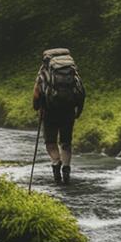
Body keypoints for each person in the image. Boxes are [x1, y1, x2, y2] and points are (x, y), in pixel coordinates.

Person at [32, 48, 85, 184]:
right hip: (68, 112)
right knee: (66, 142)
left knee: (51, 142)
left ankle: (56, 164)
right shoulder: (72, 72)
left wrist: (37, 106)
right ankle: (66, 169)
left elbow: (37, 93)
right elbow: (81, 91)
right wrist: (78, 110)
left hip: (50, 111)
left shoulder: (44, 71)